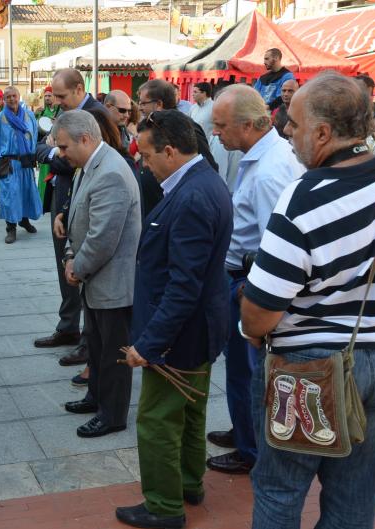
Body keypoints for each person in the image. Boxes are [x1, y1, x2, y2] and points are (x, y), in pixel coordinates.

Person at [241, 71, 375, 529]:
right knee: (355, 498)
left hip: (308, 369)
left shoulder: (304, 198)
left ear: (324, 133)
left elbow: (259, 316)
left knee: (280, 494)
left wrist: (250, 318)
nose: (286, 130)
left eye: (295, 124)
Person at [115, 110, 232, 529]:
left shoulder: (193, 195)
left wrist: (148, 344)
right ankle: (187, 482)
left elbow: (183, 286)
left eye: (147, 156)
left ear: (169, 150)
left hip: (180, 333)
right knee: (190, 408)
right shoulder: (199, 182)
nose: (143, 164)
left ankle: (164, 506)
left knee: (157, 419)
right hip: (197, 327)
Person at [204, 84, 304, 476]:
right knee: (243, 370)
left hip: (248, 282)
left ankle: (251, 450)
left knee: (246, 371)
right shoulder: (266, 157)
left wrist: (251, 292)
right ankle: (244, 430)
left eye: (221, 126)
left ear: (247, 126)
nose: (216, 133)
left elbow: (272, 245)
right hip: (243, 278)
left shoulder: (268, 172)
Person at [54, 110, 141, 438]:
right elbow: (81, 221)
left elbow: (103, 237)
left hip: (113, 282)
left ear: (85, 139)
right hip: (95, 278)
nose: (61, 154)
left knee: (114, 353)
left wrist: (78, 266)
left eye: (64, 147)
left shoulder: (111, 173)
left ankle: (112, 414)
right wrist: (71, 255)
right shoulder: (87, 167)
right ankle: (96, 398)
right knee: (97, 346)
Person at [32, 67, 106, 361]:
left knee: (84, 269)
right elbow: (39, 149)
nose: (56, 101)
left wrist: (55, 155)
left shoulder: (97, 115)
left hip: (86, 204)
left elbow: (80, 163)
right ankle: (68, 327)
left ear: (78, 88)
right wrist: (52, 153)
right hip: (63, 200)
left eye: (61, 95)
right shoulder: (62, 115)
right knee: (65, 265)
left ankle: (89, 343)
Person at [137, 79, 217, 219]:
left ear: (159, 104)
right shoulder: (153, 127)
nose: (139, 108)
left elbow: (208, 168)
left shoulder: (185, 127)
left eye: (144, 103)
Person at [0, 86, 42, 244]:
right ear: (4, 99)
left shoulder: (29, 116)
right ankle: (11, 228)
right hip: (8, 163)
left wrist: (33, 154)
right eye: (8, 97)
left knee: (25, 192)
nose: (12, 99)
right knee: (10, 195)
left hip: (25, 161)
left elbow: (35, 135)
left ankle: (24, 220)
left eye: (14, 96)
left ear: (19, 97)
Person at [35, 86, 60, 202]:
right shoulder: (41, 112)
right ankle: (41, 198)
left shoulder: (59, 110)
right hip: (45, 145)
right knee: (44, 173)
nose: (47, 98)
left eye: (49, 95)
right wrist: (36, 115)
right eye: (45, 96)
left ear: (54, 97)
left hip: (57, 146)